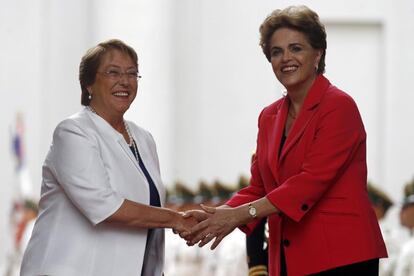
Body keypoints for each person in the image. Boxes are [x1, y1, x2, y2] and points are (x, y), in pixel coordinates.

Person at [183, 5, 387, 276]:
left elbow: (308, 183)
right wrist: (215, 215)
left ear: (318, 53)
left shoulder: (339, 106)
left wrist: (239, 215)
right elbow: (259, 187)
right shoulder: (269, 116)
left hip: (341, 257)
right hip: (287, 259)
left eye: (296, 48)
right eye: (276, 52)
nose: (285, 58)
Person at [20, 39, 195, 276]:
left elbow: (150, 210)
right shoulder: (73, 132)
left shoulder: (144, 139)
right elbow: (105, 206)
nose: (125, 81)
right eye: (113, 72)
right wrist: (177, 219)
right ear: (89, 83)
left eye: (132, 73)